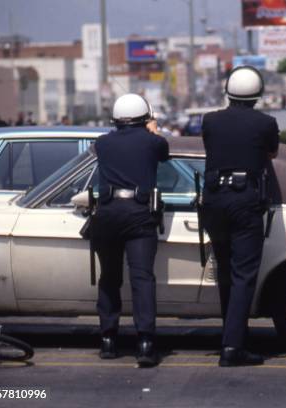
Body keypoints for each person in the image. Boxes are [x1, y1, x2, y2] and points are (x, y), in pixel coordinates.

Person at [201, 66, 279, 367]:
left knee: (225, 273)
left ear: (228, 92)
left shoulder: (209, 120)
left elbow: (212, 148)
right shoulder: (265, 123)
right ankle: (233, 347)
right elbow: (271, 154)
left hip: (214, 202)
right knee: (243, 275)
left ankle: (229, 336)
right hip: (245, 201)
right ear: (257, 95)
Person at [92, 93, 169, 367]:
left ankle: (108, 339)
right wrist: (153, 130)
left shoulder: (102, 143)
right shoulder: (153, 142)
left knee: (109, 277)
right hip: (138, 214)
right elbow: (163, 153)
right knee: (142, 279)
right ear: (144, 117)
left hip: (108, 213)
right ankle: (146, 343)